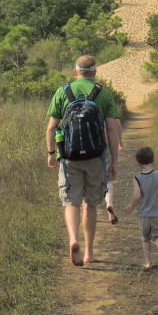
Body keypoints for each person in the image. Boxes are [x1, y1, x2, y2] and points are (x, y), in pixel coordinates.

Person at [46, 55, 120, 266]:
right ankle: (88, 252)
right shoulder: (103, 94)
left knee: (71, 202)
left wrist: (51, 153)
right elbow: (112, 128)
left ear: (75, 72)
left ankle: (73, 239)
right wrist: (114, 161)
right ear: (95, 72)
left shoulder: (63, 92)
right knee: (91, 204)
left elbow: (51, 127)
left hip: (69, 157)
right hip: (96, 157)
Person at [123, 145, 158, 269]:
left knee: (145, 238)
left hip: (144, 214)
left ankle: (149, 262)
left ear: (137, 163)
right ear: (153, 161)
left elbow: (137, 195)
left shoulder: (137, 178)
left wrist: (131, 207)